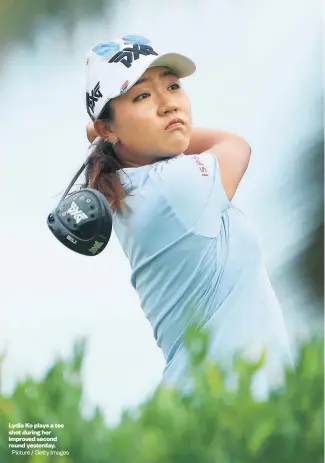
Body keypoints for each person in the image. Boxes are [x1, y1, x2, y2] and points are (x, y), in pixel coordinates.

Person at [83, 34, 294, 397]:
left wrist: (111, 131)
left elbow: (153, 141)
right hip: (234, 415)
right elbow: (235, 146)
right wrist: (101, 131)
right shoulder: (175, 186)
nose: (169, 105)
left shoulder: (124, 180)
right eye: (143, 95)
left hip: (209, 408)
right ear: (108, 129)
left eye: (173, 86)